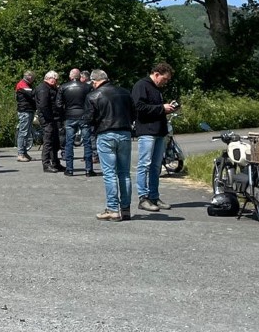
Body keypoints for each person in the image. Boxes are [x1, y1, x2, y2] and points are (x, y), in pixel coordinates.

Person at [86, 70, 135, 220]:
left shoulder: (93, 95)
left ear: (94, 81)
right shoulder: (125, 92)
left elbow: (89, 118)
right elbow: (134, 113)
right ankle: (125, 209)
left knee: (109, 173)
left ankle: (113, 209)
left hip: (105, 133)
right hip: (125, 133)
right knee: (124, 173)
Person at [132, 61, 178, 214]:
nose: (165, 82)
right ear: (156, 74)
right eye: (164, 79)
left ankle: (154, 196)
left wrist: (166, 109)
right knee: (144, 164)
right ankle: (143, 198)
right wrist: (161, 108)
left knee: (156, 166)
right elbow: (138, 107)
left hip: (159, 131)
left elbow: (154, 109)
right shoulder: (141, 85)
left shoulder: (156, 88)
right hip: (147, 131)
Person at [60, 68, 96, 177]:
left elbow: (58, 104)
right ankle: (88, 170)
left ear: (70, 77)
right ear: (80, 77)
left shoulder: (64, 87)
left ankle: (69, 169)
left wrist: (65, 112)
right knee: (87, 142)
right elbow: (92, 101)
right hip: (84, 116)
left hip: (70, 115)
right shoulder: (87, 87)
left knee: (69, 143)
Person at [36, 70, 64, 173]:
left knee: (55, 141)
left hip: (53, 118)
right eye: (56, 79)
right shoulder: (43, 88)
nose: (57, 81)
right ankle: (46, 164)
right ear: (50, 79)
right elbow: (43, 106)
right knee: (48, 141)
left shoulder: (50, 88)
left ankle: (55, 162)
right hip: (48, 119)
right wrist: (49, 118)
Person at [14, 71, 37, 162]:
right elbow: (32, 94)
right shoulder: (22, 84)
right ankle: (20, 154)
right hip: (24, 111)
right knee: (23, 132)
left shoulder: (27, 85)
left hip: (29, 110)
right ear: (29, 77)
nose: (34, 79)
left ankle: (24, 153)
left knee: (27, 133)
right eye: (33, 77)